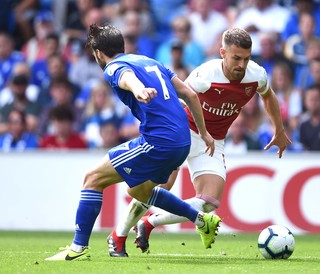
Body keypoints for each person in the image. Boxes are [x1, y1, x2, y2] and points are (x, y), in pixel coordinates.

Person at [106, 27, 291, 257]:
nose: (241, 65)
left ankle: (149, 223)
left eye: (246, 58)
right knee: (157, 188)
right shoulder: (205, 76)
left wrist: (279, 130)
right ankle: (118, 236)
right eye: (236, 58)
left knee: (209, 203)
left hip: (213, 141)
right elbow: (176, 100)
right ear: (222, 53)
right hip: (183, 133)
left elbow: (268, 94)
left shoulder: (256, 74)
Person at [45, 23, 219, 261]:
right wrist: (204, 132)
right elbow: (190, 94)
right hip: (181, 142)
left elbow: (125, 78)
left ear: (98, 53)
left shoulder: (113, 66)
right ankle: (201, 220)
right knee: (139, 190)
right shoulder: (150, 62)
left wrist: (139, 90)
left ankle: (78, 248)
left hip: (159, 141)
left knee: (92, 179)